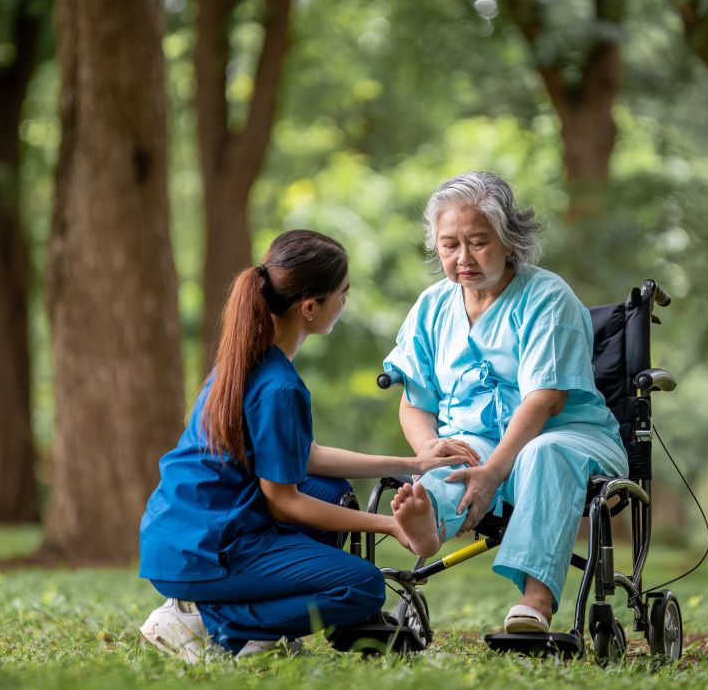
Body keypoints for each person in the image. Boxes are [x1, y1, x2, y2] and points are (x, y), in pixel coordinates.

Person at [138, 229, 474, 662]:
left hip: (183, 532)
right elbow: (284, 503)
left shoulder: (247, 361)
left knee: (331, 490)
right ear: (310, 307)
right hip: (204, 548)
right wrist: (390, 526)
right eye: (342, 294)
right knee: (363, 587)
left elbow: (306, 455)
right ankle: (210, 620)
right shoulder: (278, 386)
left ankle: (228, 618)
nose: (345, 303)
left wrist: (414, 460)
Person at [385, 171, 628, 634]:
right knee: (448, 463)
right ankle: (427, 521)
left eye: (478, 242)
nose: (463, 258)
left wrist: (495, 469)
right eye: (449, 244)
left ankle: (535, 602)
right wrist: (428, 447)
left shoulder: (547, 297)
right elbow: (415, 402)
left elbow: (545, 401)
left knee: (542, 452)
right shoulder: (432, 307)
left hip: (568, 438)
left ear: (510, 241)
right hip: (475, 440)